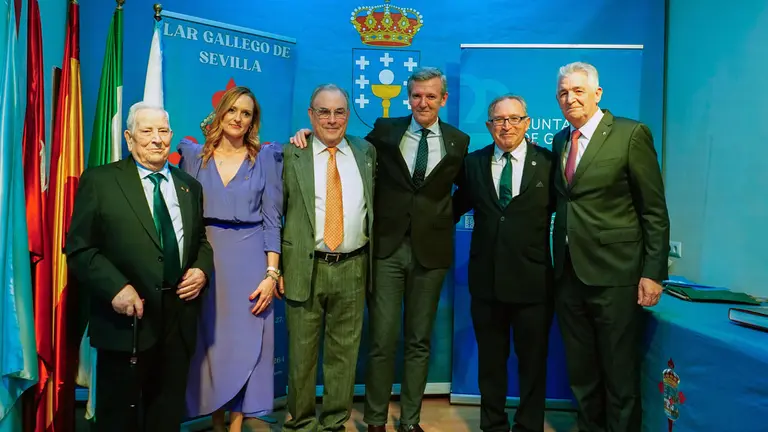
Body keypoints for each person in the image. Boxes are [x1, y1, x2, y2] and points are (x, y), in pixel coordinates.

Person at [291, 67, 470, 432]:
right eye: (417, 95)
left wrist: (438, 219)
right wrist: (306, 135)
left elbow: (466, 190)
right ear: (409, 96)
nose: (423, 102)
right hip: (386, 251)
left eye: (431, 96)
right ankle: (374, 420)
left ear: (443, 99)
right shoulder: (384, 132)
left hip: (430, 256)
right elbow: (340, 146)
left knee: (419, 341)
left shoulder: (458, 141)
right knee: (382, 340)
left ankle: (410, 421)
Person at [66, 102, 213, 432]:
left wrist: (202, 269)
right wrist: (116, 287)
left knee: (165, 415)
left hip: (177, 323)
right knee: (118, 419)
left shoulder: (190, 187)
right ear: (129, 138)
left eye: (163, 131)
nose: (157, 139)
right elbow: (79, 249)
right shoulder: (101, 182)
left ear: (171, 135)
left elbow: (201, 241)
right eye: (147, 131)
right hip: (125, 325)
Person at [550, 62, 670, 432]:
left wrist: (653, 273)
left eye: (578, 91)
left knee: (619, 374)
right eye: (563, 93)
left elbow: (653, 210)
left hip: (616, 275)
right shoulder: (560, 140)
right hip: (569, 274)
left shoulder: (630, 134)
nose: (570, 99)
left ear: (598, 94)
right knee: (582, 372)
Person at [179, 86, 283, 432]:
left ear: (254, 121)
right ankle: (215, 420)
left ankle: (235, 426)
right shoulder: (195, 157)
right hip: (207, 259)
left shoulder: (265, 159)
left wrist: (271, 273)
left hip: (251, 259)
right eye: (232, 110)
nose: (238, 118)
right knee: (211, 344)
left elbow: (272, 218)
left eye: (247, 113)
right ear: (220, 113)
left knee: (245, 343)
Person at [452, 95, 555, 432]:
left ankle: (528, 426)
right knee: (491, 364)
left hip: (534, 283)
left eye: (514, 119)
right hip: (486, 283)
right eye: (499, 120)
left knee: (533, 364)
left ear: (527, 123)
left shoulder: (549, 163)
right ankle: (493, 425)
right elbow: (448, 209)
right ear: (488, 126)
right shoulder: (472, 164)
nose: (506, 126)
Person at [280, 84, 376, 431]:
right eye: (324, 112)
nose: (332, 119)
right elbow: (276, 211)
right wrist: (274, 268)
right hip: (305, 266)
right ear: (310, 115)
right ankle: (301, 424)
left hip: (353, 266)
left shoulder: (366, 152)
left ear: (348, 115)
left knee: (344, 355)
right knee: (302, 356)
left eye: (339, 112)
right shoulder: (291, 154)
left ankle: (334, 423)